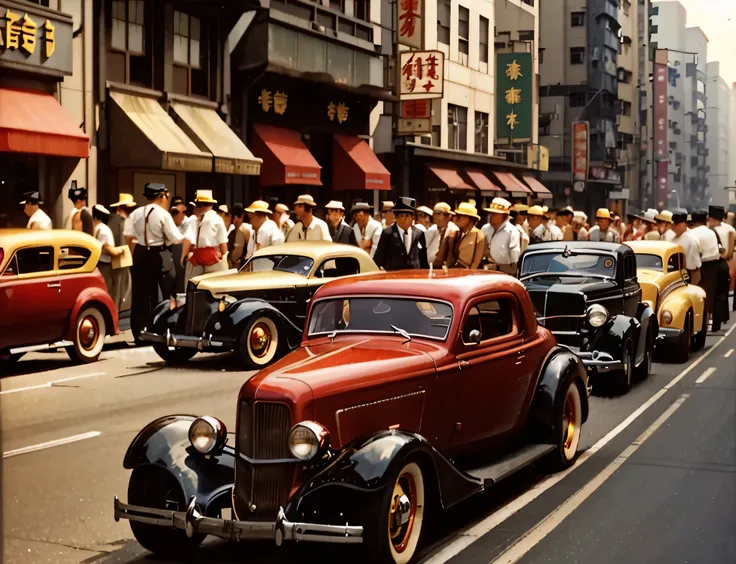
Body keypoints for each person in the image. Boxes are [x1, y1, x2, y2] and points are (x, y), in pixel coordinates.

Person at [124, 183, 184, 343]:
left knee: (140, 296)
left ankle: (139, 333)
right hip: (160, 253)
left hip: (140, 253)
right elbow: (175, 237)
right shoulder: (163, 214)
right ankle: (168, 328)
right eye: (165, 195)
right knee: (169, 292)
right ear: (161, 196)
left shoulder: (135, 214)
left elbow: (128, 236)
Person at [182, 190, 229, 282]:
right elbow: (224, 248)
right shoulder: (217, 219)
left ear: (199, 205)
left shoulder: (195, 221)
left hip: (198, 263)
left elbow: (190, 245)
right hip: (214, 264)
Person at [694, 207, 727, 332]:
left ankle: (701, 325)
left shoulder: (692, 233)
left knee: (698, 295)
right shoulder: (711, 232)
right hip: (714, 265)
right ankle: (713, 324)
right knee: (711, 295)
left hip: (698, 266)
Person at [373, 197, 429, 271]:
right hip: (394, 276)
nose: (404, 219)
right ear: (396, 217)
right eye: (401, 215)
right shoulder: (388, 233)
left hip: (414, 275)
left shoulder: (419, 233)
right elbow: (379, 257)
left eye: (407, 215)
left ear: (412, 217)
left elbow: (423, 259)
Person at [433, 202, 486, 269]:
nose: (457, 219)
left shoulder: (478, 234)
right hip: (454, 272)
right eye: (457, 216)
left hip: (468, 274)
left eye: (461, 216)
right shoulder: (456, 234)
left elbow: (476, 262)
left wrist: (471, 273)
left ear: (470, 218)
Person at [109, 193, 136, 310]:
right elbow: (131, 242)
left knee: (114, 288)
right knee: (124, 288)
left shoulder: (110, 222)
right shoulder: (128, 222)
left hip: (111, 258)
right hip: (126, 258)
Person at [480, 198, 521, 274]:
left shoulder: (512, 232)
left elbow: (514, 263)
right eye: (490, 214)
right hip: (484, 272)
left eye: (495, 214)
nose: (491, 217)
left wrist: (498, 267)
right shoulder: (485, 229)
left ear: (504, 216)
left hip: (503, 274)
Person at [92, 204, 123, 296]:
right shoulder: (105, 230)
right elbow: (109, 250)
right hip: (105, 265)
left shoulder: (95, 228)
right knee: (106, 290)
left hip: (96, 263)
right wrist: (121, 250)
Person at [671, 209, 701, 285]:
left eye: (679, 222)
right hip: (674, 275)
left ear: (684, 223)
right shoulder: (673, 238)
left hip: (687, 275)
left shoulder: (691, 239)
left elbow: (695, 270)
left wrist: (693, 287)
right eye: (675, 223)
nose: (676, 225)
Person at [229, 204, 252, 269]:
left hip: (242, 265)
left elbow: (236, 255)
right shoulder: (245, 227)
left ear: (235, 218)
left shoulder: (241, 230)